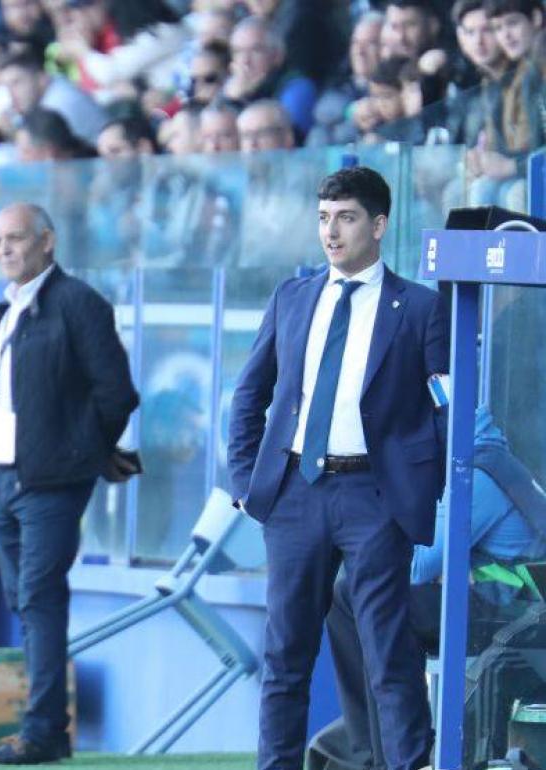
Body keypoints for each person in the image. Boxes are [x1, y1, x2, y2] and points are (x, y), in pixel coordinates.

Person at [227, 166, 449, 770]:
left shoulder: (421, 307)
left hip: (375, 499)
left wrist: (418, 488)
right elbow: (250, 395)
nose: (332, 231)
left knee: (388, 656)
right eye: (324, 218)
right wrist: (247, 483)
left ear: (378, 225)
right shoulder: (292, 297)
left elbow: (445, 407)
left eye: (346, 218)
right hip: (295, 494)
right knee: (285, 656)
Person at [0, 202, 138, 765]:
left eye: (15, 239)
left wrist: (78, 454)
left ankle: (42, 732)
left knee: (39, 599)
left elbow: (116, 393)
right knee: (25, 601)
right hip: (3, 479)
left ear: (48, 241)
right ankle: (44, 729)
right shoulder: (4, 310)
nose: (5, 251)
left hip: (49, 482)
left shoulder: (77, 302)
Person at [314, 406, 546, 770]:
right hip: (493, 602)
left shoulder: (479, 474)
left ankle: (391, 751)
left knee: (375, 601)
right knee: (355, 594)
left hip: (514, 613)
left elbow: (419, 565)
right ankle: (373, 747)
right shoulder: (480, 462)